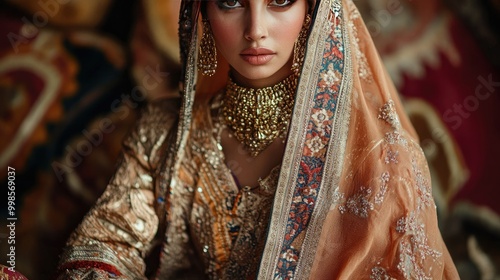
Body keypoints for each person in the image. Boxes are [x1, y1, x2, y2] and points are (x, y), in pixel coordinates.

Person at [56, 0, 460, 278]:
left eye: (280, 1)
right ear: (203, 11)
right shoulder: (165, 132)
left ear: (315, 11)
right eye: (230, 2)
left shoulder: (378, 158)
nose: (255, 30)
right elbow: (105, 244)